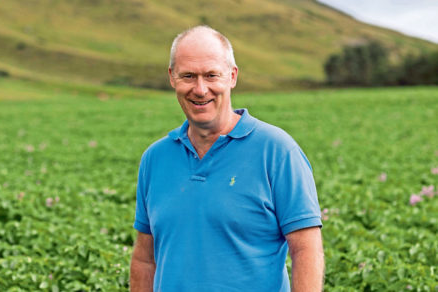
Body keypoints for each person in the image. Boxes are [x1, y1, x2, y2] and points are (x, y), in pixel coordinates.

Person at [130, 26, 324, 292]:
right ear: (172, 78)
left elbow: (306, 250)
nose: (200, 89)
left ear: (232, 76)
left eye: (212, 75)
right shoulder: (155, 158)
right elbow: (144, 260)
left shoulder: (277, 151)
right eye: (188, 76)